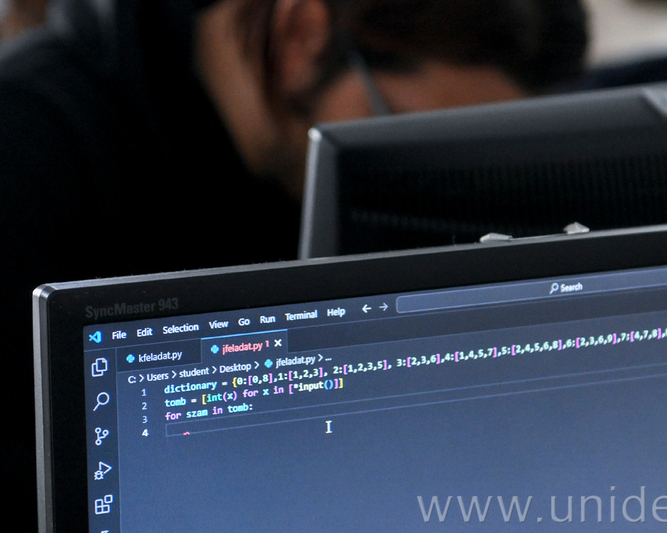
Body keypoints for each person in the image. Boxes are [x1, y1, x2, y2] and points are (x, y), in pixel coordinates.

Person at [0, 0, 587, 522]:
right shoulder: (26, 146)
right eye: (401, 130)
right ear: (304, 30)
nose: (420, 190)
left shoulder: (295, 161)